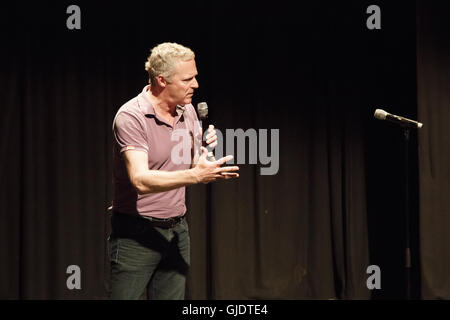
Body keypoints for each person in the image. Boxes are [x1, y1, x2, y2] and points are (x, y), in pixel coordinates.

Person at [108, 42, 239, 300]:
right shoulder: (131, 116)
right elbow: (141, 180)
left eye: (196, 77)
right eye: (188, 79)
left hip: (177, 231)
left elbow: (187, 163)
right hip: (136, 234)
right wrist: (196, 175)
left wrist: (201, 154)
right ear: (162, 80)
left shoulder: (187, 111)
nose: (196, 85)